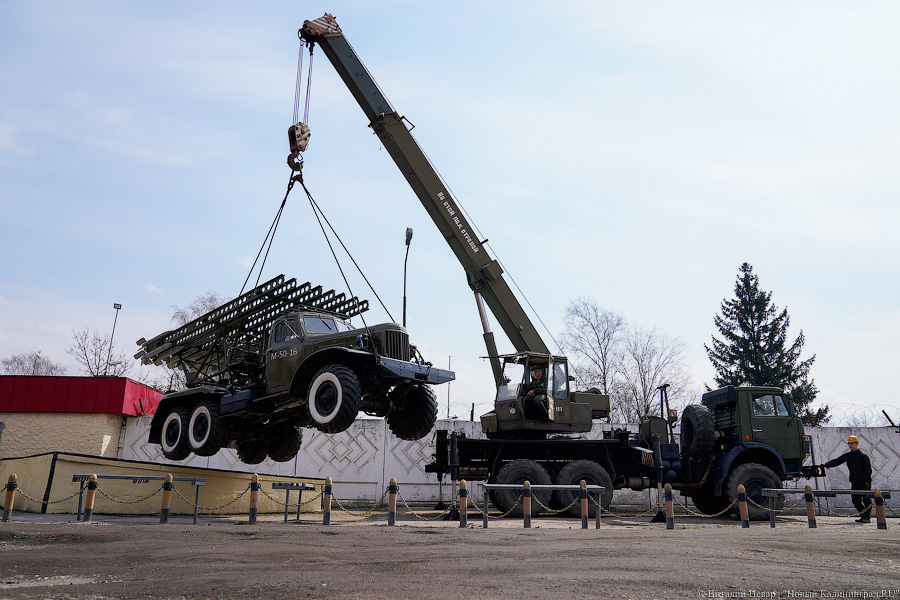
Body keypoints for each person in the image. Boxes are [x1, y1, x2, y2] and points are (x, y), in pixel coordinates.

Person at [823, 435, 873, 523]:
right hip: (854, 481)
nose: (850, 445)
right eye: (849, 443)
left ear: (857, 444)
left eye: (852, 443)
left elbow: (868, 470)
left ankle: (867, 517)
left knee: (866, 499)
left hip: (864, 481)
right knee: (855, 500)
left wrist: (867, 481)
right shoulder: (848, 455)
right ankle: (863, 515)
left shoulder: (863, 456)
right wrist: (826, 465)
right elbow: (837, 461)